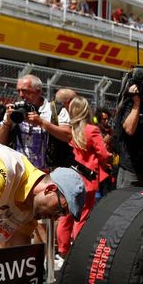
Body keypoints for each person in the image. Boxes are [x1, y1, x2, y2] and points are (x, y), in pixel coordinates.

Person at [0, 136, 85, 274]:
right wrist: (15, 279)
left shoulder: (29, 209)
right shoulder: (2, 169)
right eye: (59, 210)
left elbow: (19, 257)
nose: (54, 218)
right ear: (50, 189)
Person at [56, 97, 110, 256]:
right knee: (82, 216)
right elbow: (103, 154)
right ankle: (77, 253)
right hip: (88, 178)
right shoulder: (91, 130)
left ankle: (63, 250)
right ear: (87, 110)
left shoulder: (70, 130)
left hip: (70, 176)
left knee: (66, 216)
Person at [0, 74, 72, 171]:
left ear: (38, 91)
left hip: (47, 173)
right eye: (18, 91)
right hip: (20, 172)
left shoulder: (55, 110)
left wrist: (42, 123)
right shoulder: (14, 110)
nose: (21, 95)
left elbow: (68, 136)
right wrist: (7, 123)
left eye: (25, 91)